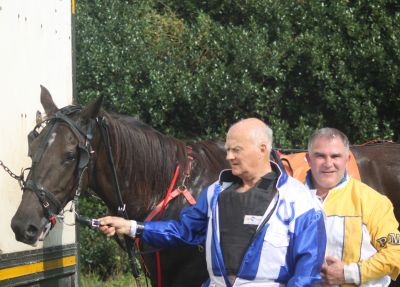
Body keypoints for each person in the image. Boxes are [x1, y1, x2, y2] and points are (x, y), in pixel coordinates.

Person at [99, 118, 326, 286]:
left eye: (236, 150)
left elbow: (307, 273)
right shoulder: (215, 193)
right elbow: (182, 231)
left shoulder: (302, 202)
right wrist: (130, 227)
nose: (228, 157)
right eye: (228, 150)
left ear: (262, 149)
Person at [305, 128, 400, 286]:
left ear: (347, 159)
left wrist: (349, 274)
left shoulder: (372, 201)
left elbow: (395, 253)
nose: (328, 163)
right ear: (308, 158)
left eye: (335, 156)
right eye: (320, 156)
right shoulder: (290, 200)